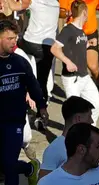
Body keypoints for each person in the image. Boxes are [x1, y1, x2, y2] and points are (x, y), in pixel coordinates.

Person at [0, 19, 46, 185]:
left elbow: (33, 85)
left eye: (15, 38)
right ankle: (29, 167)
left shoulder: (20, 62)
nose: (14, 42)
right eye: (9, 38)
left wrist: (42, 107)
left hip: (14, 122)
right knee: (4, 165)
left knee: (8, 166)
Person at [59, 0, 99, 100]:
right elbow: (60, 13)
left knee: (94, 67)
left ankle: (98, 85)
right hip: (73, 35)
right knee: (74, 67)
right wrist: (70, 13)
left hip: (90, 34)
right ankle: (76, 94)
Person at [51, 0, 99, 124]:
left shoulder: (81, 30)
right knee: (75, 113)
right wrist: (67, 62)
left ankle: (89, 129)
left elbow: (76, 47)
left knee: (97, 105)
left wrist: (89, 43)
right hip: (71, 79)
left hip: (84, 76)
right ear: (85, 12)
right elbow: (54, 48)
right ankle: (73, 136)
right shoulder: (68, 30)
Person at [18, 0, 58, 128]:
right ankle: (42, 115)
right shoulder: (56, 4)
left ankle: (23, 104)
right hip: (48, 47)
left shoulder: (34, 1)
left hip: (30, 43)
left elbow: (16, 6)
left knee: (15, 46)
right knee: (42, 80)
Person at [39, 95, 94, 178]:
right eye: (89, 116)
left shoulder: (88, 146)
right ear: (78, 119)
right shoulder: (55, 150)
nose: (92, 121)